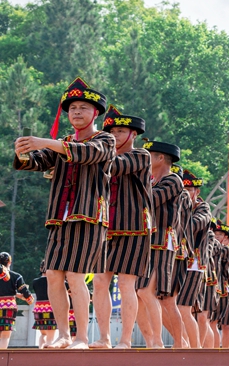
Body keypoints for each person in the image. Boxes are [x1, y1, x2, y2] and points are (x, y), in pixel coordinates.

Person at [14, 77, 114, 349]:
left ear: (95, 113)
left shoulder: (105, 140)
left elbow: (85, 153)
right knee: (54, 276)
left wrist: (44, 141)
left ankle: (82, 336)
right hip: (60, 217)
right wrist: (23, 152)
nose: (77, 112)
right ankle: (64, 335)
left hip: (89, 216)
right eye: (72, 108)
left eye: (83, 107)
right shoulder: (63, 142)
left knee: (75, 275)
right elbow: (35, 162)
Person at [90, 105, 152, 349]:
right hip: (105, 225)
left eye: (120, 131)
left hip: (134, 226)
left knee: (127, 284)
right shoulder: (102, 155)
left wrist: (88, 152)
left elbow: (114, 166)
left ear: (133, 134)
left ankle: (125, 339)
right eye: (111, 131)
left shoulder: (140, 156)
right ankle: (104, 337)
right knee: (98, 281)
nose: (115, 135)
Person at [135, 141, 185, 348]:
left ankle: (177, 343)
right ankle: (151, 342)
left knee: (154, 295)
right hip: (145, 241)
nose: (144, 161)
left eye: (148, 156)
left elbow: (151, 200)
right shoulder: (151, 180)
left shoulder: (173, 180)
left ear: (160, 158)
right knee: (137, 294)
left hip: (162, 241)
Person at [175, 169, 212, 348]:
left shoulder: (203, 208)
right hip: (176, 260)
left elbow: (195, 225)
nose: (183, 194)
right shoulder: (175, 206)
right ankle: (182, 343)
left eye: (187, 190)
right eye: (180, 189)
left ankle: (195, 349)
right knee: (167, 304)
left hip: (194, 264)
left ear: (196, 192)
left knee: (184, 308)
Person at [0, 252, 35, 349]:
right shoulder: (16, 276)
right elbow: (24, 291)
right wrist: (30, 299)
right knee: (5, 336)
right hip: (8, 307)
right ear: (9, 262)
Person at [31, 261, 57, 348]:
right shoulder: (55, 281)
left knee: (43, 334)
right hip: (51, 308)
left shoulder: (35, 282)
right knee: (50, 336)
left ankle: (40, 350)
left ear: (40, 269)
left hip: (39, 309)